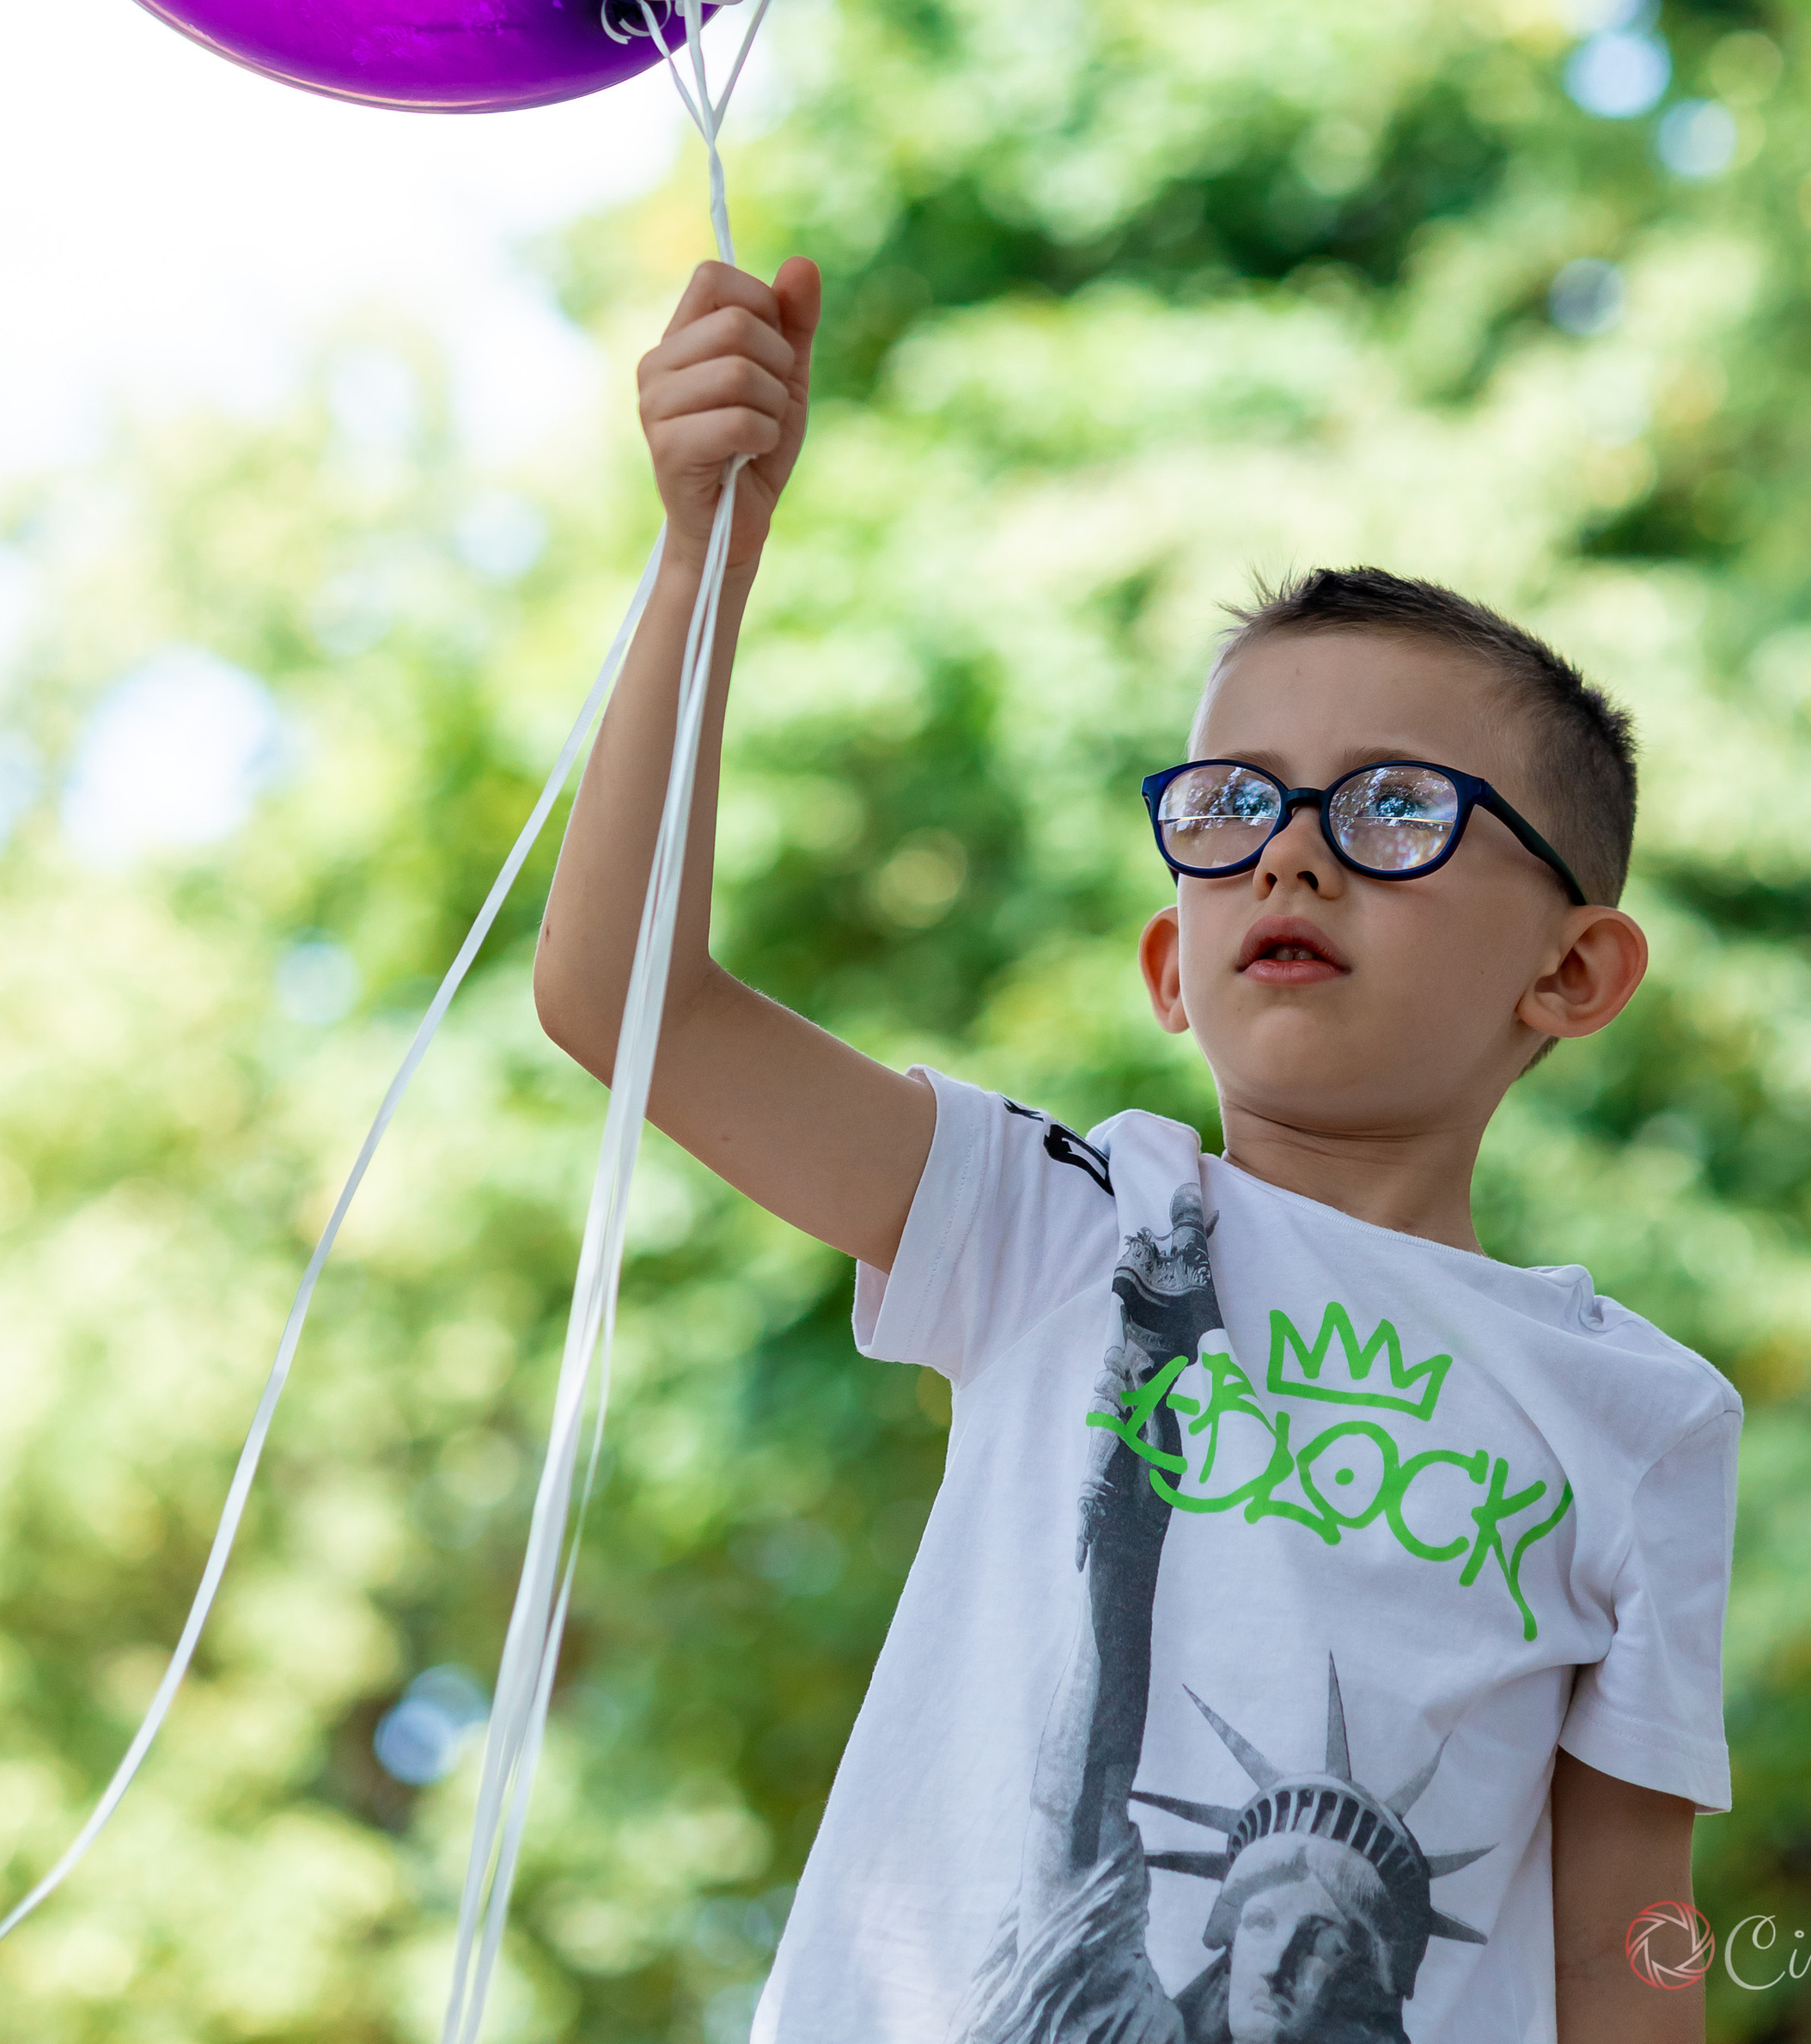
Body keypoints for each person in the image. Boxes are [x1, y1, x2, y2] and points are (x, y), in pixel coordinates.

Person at [536, 258, 1741, 2044]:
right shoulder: (1076, 1229)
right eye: (1232, 805)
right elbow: (623, 1000)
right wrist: (701, 551)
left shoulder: (1643, 1418)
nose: (1291, 854)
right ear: (1172, 967)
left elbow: (1620, 1935)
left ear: (1570, 972)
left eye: (1396, 806)